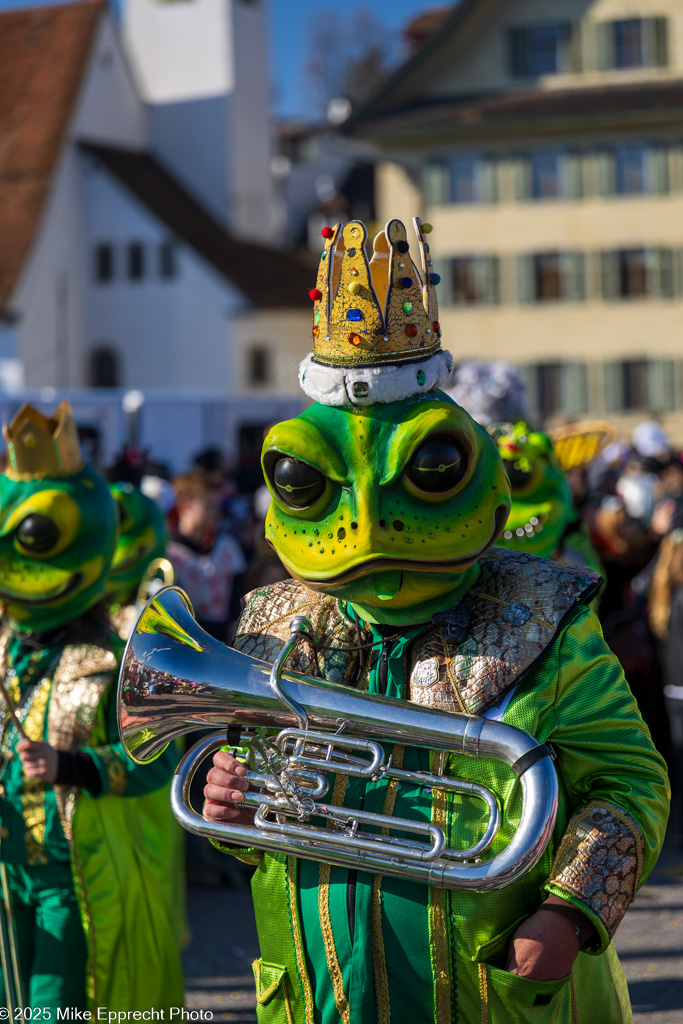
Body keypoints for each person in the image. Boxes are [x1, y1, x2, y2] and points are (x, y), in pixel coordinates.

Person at [202, 219, 668, 1023]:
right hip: (325, 993)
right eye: (306, 481)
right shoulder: (274, 623)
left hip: (491, 992)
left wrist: (568, 913)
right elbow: (265, 804)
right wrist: (230, 812)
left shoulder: (542, 614)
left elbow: (627, 781)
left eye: (431, 469)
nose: (369, 520)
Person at [0, 402, 183, 1012]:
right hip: (5, 874)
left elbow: (159, 763)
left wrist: (70, 766)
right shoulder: (3, 651)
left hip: (73, 877)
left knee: (54, 1003)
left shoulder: (117, 660)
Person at [167, 472, 246, 642]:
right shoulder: (168, 553)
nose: (216, 513)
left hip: (225, 646)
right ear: (184, 505)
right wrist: (221, 630)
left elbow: (239, 601)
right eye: (209, 505)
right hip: (186, 645)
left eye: (217, 506)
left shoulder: (228, 547)